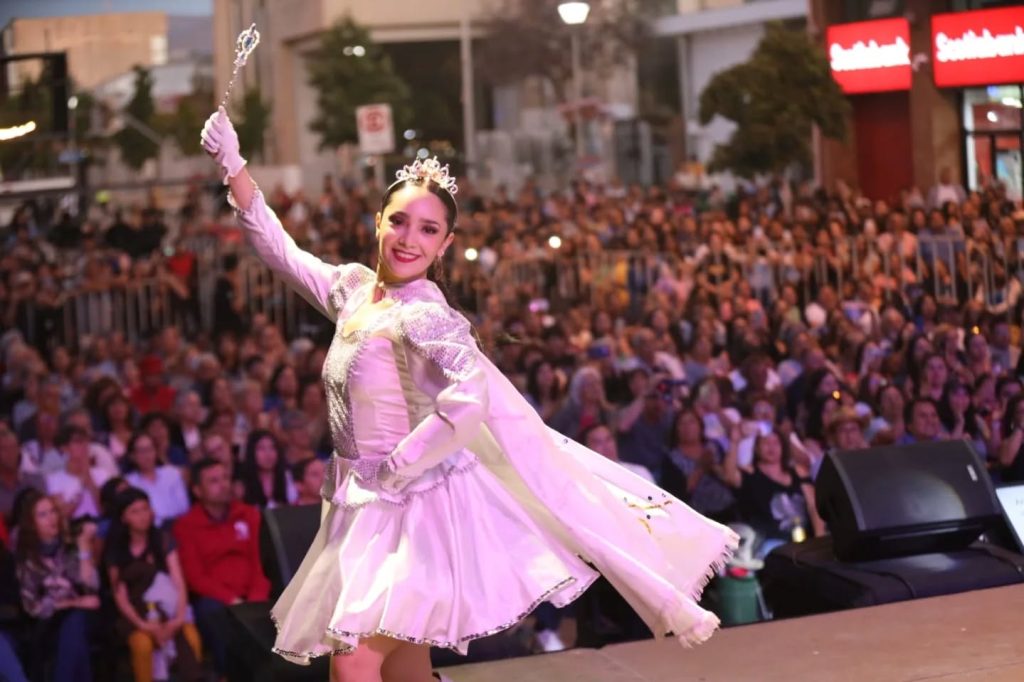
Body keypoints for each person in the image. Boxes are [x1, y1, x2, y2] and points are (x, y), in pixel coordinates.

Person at [202, 109, 736, 681]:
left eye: (428, 230)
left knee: (353, 663)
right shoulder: (354, 289)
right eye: (399, 221)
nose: (409, 239)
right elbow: (280, 251)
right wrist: (233, 164)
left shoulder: (426, 313)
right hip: (364, 511)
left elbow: (468, 400)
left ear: (446, 243)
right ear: (378, 221)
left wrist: (397, 467)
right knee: (404, 668)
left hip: (413, 512)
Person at [173, 458, 269, 676]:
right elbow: (195, 577)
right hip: (217, 600)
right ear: (197, 490)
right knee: (212, 614)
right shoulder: (186, 526)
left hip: (255, 594)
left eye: (226, 478)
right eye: (214, 481)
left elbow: (261, 562)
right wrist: (232, 601)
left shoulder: (249, 514)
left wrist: (255, 599)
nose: (224, 484)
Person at [105, 488, 203, 682]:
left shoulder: (163, 540)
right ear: (124, 518)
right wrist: (144, 625)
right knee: (142, 644)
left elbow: (178, 581)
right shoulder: (116, 549)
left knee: (191, 638)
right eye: (135, 511)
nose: (143, 516)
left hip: (168, 609)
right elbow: (120, 596)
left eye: (145, 509)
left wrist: (178, 618)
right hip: (136, 615)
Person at [15, 490, 99, 682]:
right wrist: (74, 603)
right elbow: (32, 607)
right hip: (48, 621)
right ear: (31, 522)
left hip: (84, 616)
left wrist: (84, 548)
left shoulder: (69, 546)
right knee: (74, 630)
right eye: (42, 514)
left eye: (53, 511)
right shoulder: (27, 557)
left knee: (76, 622)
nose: (51, 518)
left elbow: (91, 585)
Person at [124, 432, 191, 528]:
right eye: (141, 451)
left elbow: (184, 507)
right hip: (151, 529)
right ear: (132, 456)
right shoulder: (129, 482)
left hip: (180, 524)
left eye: (149, 449)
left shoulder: (172, 473)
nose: (147, 455)